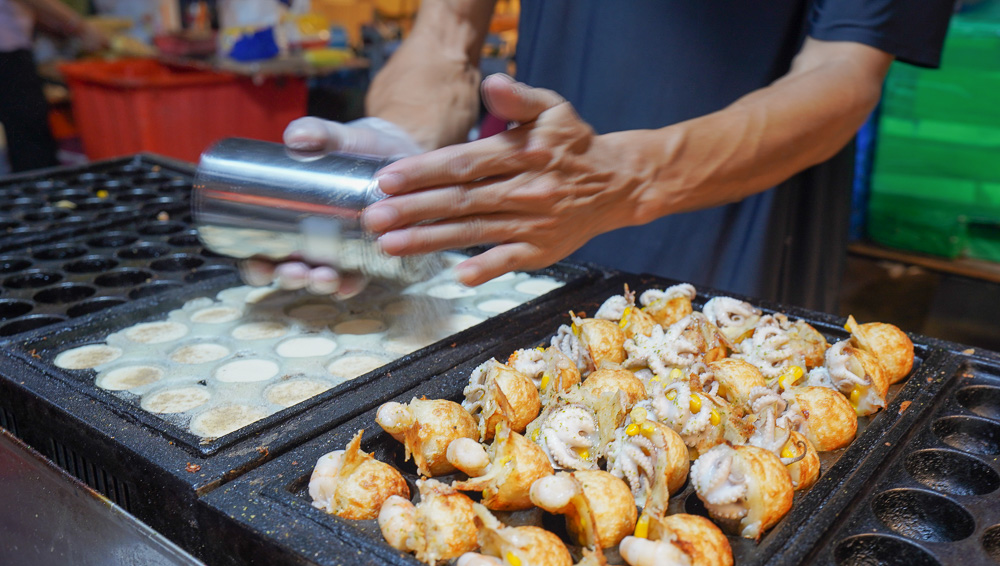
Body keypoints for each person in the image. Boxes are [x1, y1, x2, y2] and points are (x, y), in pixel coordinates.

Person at [248, 0, 953, 312]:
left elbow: (843, 74)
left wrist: (627, 180)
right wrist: (396, 152)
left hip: (735, 250)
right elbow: (444, 36)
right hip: (535, 237)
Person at [0, 0, 107, 172]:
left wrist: (58, 29)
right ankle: (38, 194)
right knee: (32, 142)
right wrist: (79, 26)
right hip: (7, 52)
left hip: (12, 47)